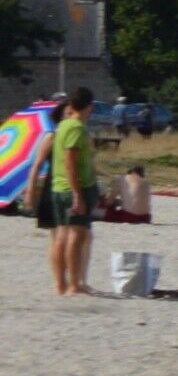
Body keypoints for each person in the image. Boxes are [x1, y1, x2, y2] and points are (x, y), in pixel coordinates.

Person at [41, 88, 99, 296]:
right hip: (71, 188)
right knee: (76, 235)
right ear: (89, 106)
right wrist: (77, 193)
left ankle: (61, 284)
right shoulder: (75, 127)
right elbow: (70, 161)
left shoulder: (63, 125)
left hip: (59, 187)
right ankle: (73, 284)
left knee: (63, 236)